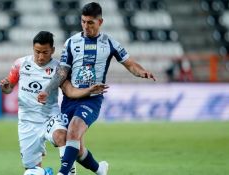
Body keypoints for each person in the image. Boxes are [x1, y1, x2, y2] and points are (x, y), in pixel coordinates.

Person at [38, 2, 156, 175]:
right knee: (76, 149)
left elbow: (130, 64)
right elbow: (62, 71)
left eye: (90, 22)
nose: (86, 26)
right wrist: (47, 90)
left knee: (74, 130)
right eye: (83, 22)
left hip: (92, 99)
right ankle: (100, 169)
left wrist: (141, 72)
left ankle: (62, 173)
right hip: (70, 98)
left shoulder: (110, 43)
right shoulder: (72, 42)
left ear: (100, 22)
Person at [0, 31, 108, 175]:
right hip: (27, 122)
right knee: (32, 171)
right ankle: (97, 169)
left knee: (62, 136)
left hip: (50, 117)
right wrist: (5, 87)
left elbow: (70, 91)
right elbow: (9, 88)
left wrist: (89, 91)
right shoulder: (20, 64)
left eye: (45, 52)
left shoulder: (59, 69)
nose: (40, 56)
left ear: (52, 50)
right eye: (37, 51)